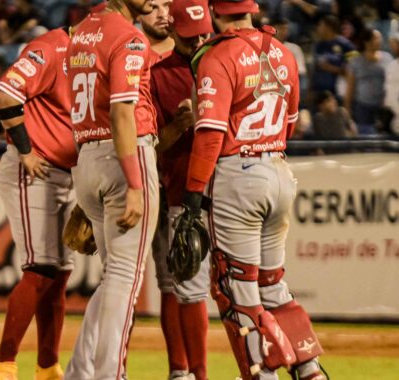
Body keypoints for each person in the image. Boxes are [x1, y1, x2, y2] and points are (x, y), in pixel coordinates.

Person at [184, 1, 326, 379]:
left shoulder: (218, 55)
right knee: (273, 284)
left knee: (237, 289)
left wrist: (193, 193)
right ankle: (311, 371)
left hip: (238, 174)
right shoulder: (283, 52)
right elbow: (291, 122)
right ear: (252, 8)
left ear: (215, 12)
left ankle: (262, 375)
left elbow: (211, 133)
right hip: (278, 167)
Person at [65, 0, 159, 378]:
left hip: (87, 154)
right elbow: (122, 112)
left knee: (112, 280)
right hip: (124, 155)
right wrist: (135, 182)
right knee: (125, 280)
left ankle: (79, 372)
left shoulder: (80, 33)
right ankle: (109, 375)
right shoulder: (130, 36)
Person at [0, 25, 78, 380]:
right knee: (39, 267)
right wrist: (25, 149)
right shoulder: (50, 47)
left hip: (69, 172)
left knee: (59, 273)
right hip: (36, 168)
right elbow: (5, 91)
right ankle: (4, 366)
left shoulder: (95, 56)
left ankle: (48, 366)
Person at [143, 0, 211, 379]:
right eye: (190, 37)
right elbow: (149, 146)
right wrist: (179, 126)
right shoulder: (157, 75)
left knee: (236, 286)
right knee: (177, 283)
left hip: (227, 189)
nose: (199, 41)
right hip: (178, 190)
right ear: (174, 33)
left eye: (204, 33)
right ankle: (180, 371)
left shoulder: (224, 58)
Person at [344, 28, 392, 135]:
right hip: (362, 106)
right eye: (376, 38)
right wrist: (348, 109)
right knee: (364, 135)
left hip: (382, 106)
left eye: (380, 38)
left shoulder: (388, 58)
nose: (380, 41)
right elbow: (350, 87)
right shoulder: (355, 61)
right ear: (367, 41)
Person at [312, 15, 356, 102]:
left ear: (328, 27)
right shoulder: (318, 46)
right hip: (319, 92)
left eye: (320, 25)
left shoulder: (347, 45)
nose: (318, 28)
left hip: (338, 92)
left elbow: (354, 69)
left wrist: (332, 69)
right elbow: (315, 68)